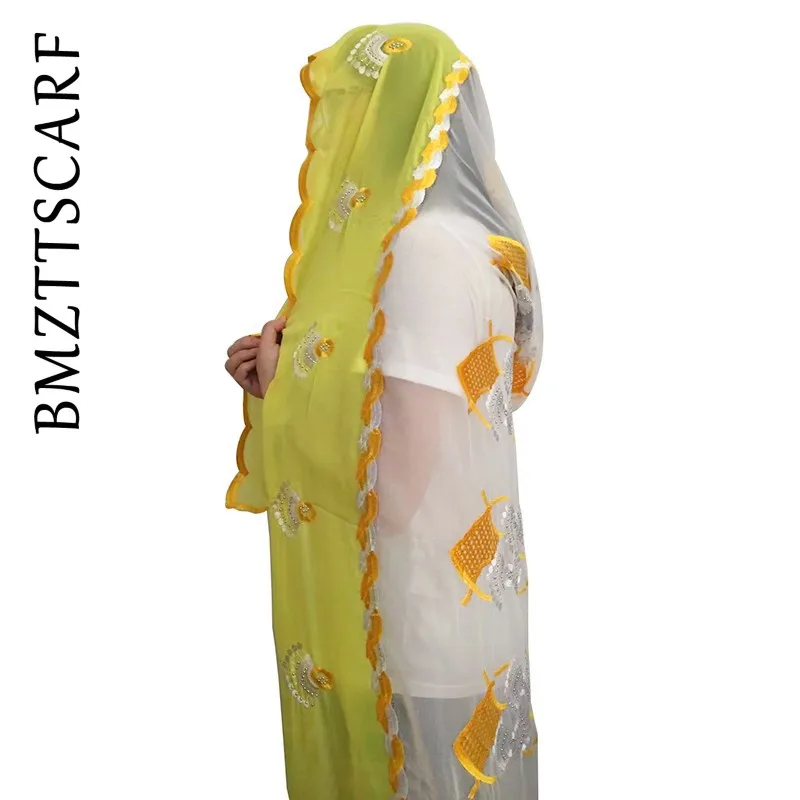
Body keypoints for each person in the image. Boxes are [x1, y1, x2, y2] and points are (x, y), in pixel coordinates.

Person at [224, 23, 543, 800]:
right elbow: (414, 421)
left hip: (407, 632)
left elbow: (393, 493)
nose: (336, 138)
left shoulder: (421, 256)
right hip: (450, 623)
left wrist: (288, 391)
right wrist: (285, 382)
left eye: (354, 113)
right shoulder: (475, 243)